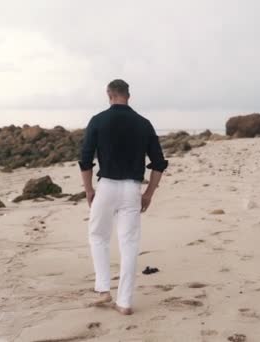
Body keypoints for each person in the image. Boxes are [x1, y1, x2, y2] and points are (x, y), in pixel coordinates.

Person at [79, 79, 168, 315]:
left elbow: (85, 160)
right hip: (132, 189)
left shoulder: (98, 121)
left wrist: (88, 190)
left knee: (98, 236)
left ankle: (103, 289)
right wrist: (149, 193)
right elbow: (159, 163)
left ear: (109, 95)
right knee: (129, 244)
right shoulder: (143, 124)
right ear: (129, 95)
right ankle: (125, 302)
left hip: (107, 186)